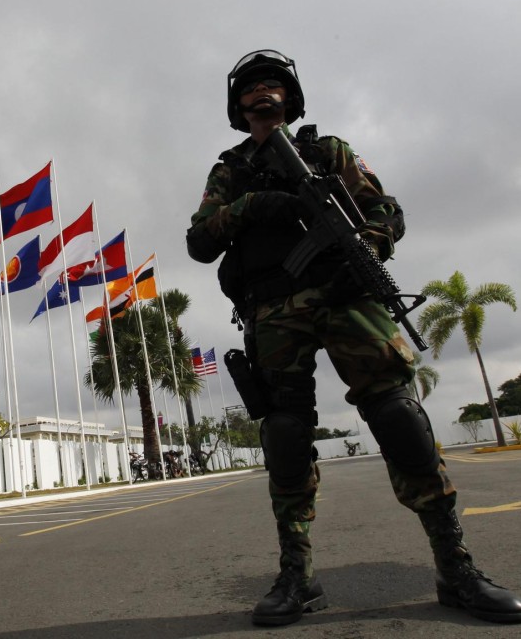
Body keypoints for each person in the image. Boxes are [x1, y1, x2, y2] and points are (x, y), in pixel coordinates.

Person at [186, 49, 521, 626]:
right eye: (251, 89)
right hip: (274, 309)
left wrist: (364, 244)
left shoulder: (327, 152)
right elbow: (199, 241)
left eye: (273, 85)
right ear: (237, 107)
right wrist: (251, 205)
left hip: (349, 296)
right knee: (286, 435)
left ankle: (455, 567)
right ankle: (298, 576)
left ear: (290, 98)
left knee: (398, 418)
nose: (263, 93)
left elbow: (387, 210)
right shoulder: (229, 171)